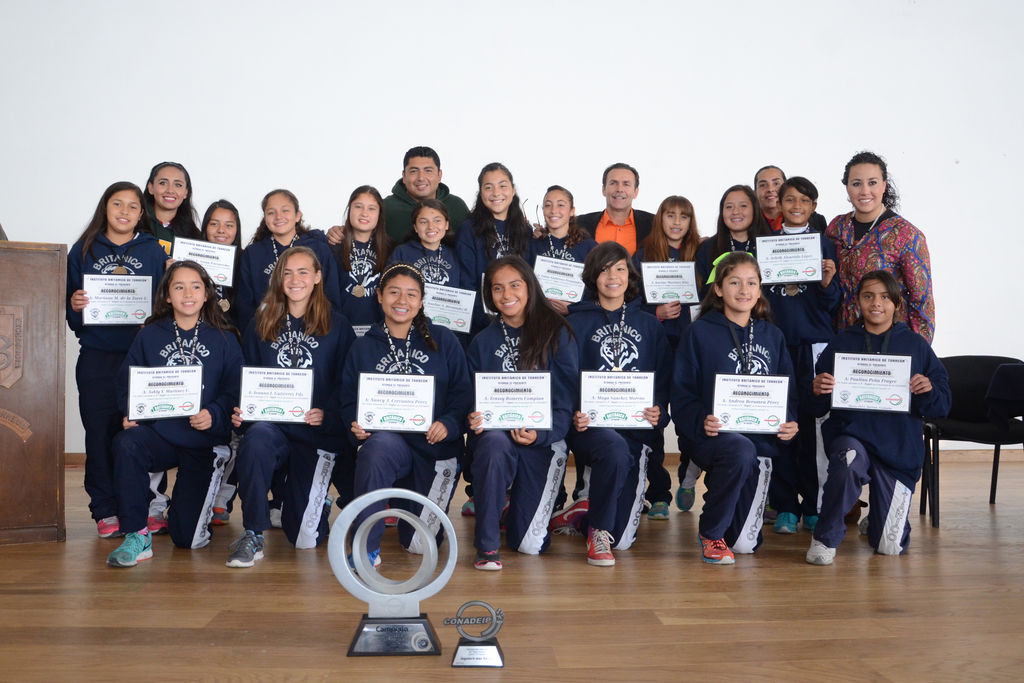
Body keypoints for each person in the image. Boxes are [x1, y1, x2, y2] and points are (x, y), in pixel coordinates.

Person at [806, 271, 950, 565]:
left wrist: (928, 390)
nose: (876, 304)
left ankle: (876, 521)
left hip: (897, 448)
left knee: (890, 548)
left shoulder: (917, 346)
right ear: (857, 301)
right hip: (852, 437)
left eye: (885, 297)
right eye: (868, 296)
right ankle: (825, 537)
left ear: (897, 304)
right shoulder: (841, 344)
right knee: (847, 461)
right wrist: (817, 390)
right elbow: (815, 408)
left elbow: (942, 405)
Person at [105, 261, 243, 567]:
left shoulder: (224, 337)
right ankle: (137, 534)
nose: (188, 293)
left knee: (187, 540)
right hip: (162, 435)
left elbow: (236, 390)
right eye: (178, 287)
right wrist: (131, 411)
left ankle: (191, 510)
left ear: (207, 294)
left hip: (204, 442)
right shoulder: (150, 335)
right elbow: (128, 380)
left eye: (195, 286)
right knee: (127, 442)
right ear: (167, 295)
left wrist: (214, 413)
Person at [227, 247, 355, 567]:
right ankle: (253, 532)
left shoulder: (338, 326)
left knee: (303, 538)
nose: (294, 279)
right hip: (273, 429)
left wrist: (328, 415)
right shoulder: (261, 321)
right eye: (287, 272)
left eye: (302, 272)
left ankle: (314, 500)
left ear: (317, 277)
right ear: (278, 278)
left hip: (316, 436)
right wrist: (242, 409)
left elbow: (348, 385)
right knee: (255, 441)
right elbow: (245, 377)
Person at [671, 252, 798, 564]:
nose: (744, 290)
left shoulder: (773, 335)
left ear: (759, 289)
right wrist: (702, 420)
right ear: (718, 289)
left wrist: (790, 421)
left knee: (743, 545)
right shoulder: (698, 332)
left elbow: (788, 392)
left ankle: (722, 494)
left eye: (751, 283)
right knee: (739, 449)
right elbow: (682, 391)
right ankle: (711, 533)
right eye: (735, 282)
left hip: (761, 440)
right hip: (713, 436)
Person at [343, 263, 472, 566]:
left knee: (417, 544)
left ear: (422, 300)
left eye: (411, 294)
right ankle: (366, 550)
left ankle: (400, 501)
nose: (402, 301)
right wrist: (354, 424)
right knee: (376, 449)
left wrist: (449, 423)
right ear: (379, 296)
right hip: (389, 445)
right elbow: (347, 399)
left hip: (434, 449)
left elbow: (462, 393)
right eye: (394, 292)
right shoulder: (362, 347)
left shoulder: (444, 340)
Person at [552, 243, 670, 566]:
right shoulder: (574, 323)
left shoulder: (649, 325)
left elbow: (661, 377)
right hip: (593, 428)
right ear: (593, 275)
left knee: (624, 541)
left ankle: (586, 511)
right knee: (613, 451)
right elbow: (564, 378)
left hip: (635, 429)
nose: (612, 276)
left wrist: (658, 408)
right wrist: (575, 412)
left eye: (619, 268)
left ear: (629, 275)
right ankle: (597, 531)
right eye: (604, 269)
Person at [67, 181, 168, 538]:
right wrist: (76, 306)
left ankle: (140, 506)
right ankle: (105, 508)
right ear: (105, 208)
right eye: (117, 204)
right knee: (99, 434)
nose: (124, 212)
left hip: (140, 358)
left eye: (132, 206)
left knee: (138, 435)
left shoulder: (154, 251)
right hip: (96, 356)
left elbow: (162, 305)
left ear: (142, 213)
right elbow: (71, 313)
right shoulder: (84, 249)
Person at [466, 256, 578, 570]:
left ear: (529, 286)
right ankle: (486, 545)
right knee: (492, 444)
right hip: (497, 437)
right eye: (497, 288)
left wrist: (542, 434)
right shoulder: (482, 341)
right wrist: (473, 417)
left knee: (529, 546)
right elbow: (471, 399)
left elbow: (566, 399)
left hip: (541, 440)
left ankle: (509, 509)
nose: (506, 294)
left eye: (514, 285)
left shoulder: (556, 332)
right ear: (489, 294)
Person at [762, 177, 841, 534]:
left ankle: (813, 504)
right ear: (778, 204)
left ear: (813, 206)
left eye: (803, 200)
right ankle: (784, 506)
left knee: (811, 428)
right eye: (788, 199)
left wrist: (827, 283)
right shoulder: (766, 246)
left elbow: (833, 303)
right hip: (777, 345)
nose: (795, 205)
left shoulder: (826, 245)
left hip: (814, 346)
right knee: (778, 423)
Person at [634, 195, 703, 517]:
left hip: (694, 351)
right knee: (655, 420)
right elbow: (628, 305)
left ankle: (689, 472)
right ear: (660, 219)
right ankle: (659, 492)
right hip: (656, 349)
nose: (676, 222)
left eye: (684, 217)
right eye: (670, 215)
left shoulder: (701, 255)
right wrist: (655, 312)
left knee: (692, 421)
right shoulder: (643, 256)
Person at [825, 151, 935, 342]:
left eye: (872, 183)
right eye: (856, 183)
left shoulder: (907, 235)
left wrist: (918, 352)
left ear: (884, 185)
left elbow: (922, 302)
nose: (864, 191)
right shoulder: (837, 227)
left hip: (890, 341)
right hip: (843, 339)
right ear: (847, 187)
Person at [236, 189, 344, 330]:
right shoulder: (252, 253)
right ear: (265, 218)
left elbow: (331, 298)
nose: (278, 216)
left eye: (285, 210)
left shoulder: (319, 249)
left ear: (298, 215)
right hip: (268, 332)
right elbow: (245, 306)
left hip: (313, 330)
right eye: (271, 212)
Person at [198, 199, 244, 525]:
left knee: (237, 430)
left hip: (237, 354)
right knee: (205, 425)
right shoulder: (189, 264)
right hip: (199, 357)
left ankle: (222, 499)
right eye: (214, 223)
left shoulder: (247, 265)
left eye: (229, 225)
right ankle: (200, 493)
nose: (221, 231)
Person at [326, 146, 470, 244]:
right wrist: (338, 232)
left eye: (428, 171)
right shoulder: (386, 207)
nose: (421, 177)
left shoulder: (456, 206)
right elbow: (359, 231)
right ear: (404, 175)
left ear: (439, 175)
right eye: (413, 171)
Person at [528, 185, 598, 315]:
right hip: (539, 319)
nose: (554, 210)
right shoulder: (532, 245)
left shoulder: (589, 247)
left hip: (579, 321)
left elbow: (600, 293)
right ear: (543, 210)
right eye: (548, 205)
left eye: (561, 205)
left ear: (572, 211)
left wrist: (572, 308)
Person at [333, 186, 394, 330]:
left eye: (372, 208)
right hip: (339, 329)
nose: (364, 213)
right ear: (349, 210)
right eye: (358, 207)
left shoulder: (391, 249)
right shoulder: (333, 247)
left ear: (380, 214)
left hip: (378, 333)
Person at [694, 185, 771, 296]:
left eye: (743, 206)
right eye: (729, 207)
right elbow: (701, 295)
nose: (735, 211)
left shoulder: (769, 246)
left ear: (755, 209)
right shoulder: (707, 248)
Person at [576, 163, 654, 256]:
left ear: (635, 192)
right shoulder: (579, 224)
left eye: (626, 184)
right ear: (604, 190)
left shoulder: (653, 224)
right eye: (613, 183)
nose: (619, 189)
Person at [388, 199, 459, 287]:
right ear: (415, 227)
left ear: (446, 225)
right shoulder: (402, 252)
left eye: (437, 220)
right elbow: (390, 286)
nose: (431, 227)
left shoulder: (456, 254)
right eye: (423, 222)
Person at [143, 161, 201, 255]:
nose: (170, 190)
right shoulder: (135, 223)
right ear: (151, 188)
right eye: (163, 183)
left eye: (178, 185)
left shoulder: (193, 235)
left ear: (186, 192)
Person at [754, 165, 828, 234]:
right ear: (755, 191)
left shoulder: (816, 220)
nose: (770, 189)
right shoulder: (748, 221)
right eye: (763, 185)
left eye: (776, 183)